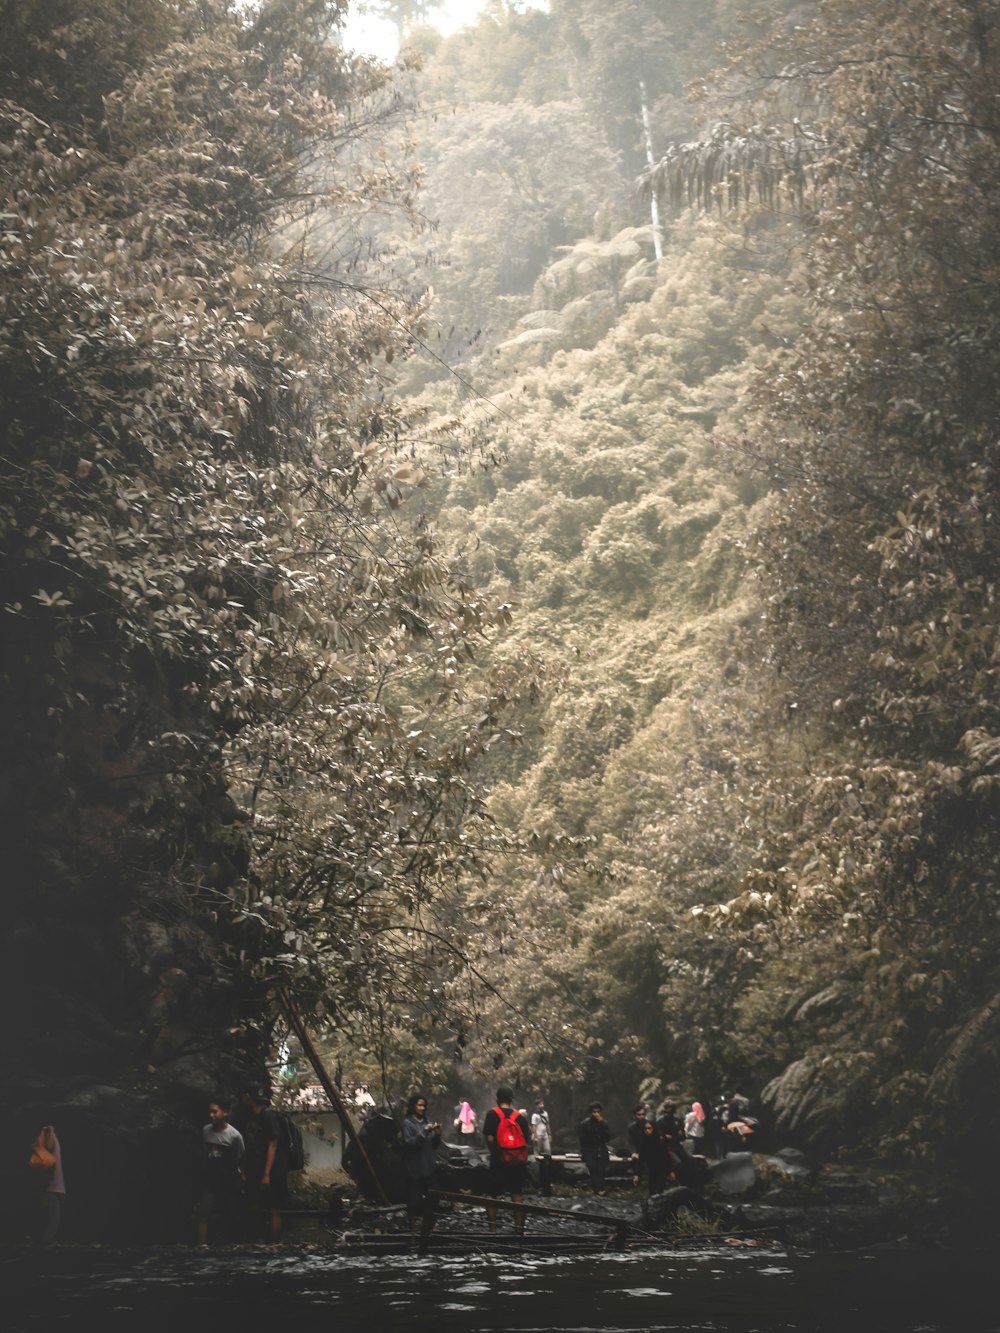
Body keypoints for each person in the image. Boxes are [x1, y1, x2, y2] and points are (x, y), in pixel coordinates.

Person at [240, 1088, 288, 1242]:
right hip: (257, 1168)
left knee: (273, 1207)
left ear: (249, 1096)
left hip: (272, 1170)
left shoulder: (268, 1117)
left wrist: (267, 1173)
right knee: (255, 1205)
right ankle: (258, 1240)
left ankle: (274, 1244)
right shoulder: (253, 1117)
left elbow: (273, 1144)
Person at [196, 1098, 245, 1246]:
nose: (211, 1115)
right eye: (210, 1112)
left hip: (228, 1180)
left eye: (214, 1111)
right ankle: (201, 1246)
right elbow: (204, 1153)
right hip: (210, 1179)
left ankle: (231, 1246)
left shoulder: (235, 1136)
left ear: (225, 1112)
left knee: (229, 1214)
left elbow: (241, 1158)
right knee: (203, 1213)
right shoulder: (206, 1131)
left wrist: (240, 1178)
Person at [483, 1085, 531, 1233]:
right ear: (511, 1100)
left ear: (497, 1099)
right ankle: (518, 1229)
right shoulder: (520, 1117)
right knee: (516, 1193)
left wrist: (496, 1153)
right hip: (517, 1161)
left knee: (492, 1194)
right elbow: (526, 1140)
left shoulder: (492, 1114)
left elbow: (489, 1138)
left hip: (498, 1160)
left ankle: (493, 1229)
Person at [401, 1094, 442, 1231]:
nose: (422, 1108)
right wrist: (424, 1132)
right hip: (415, 1169)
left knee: (433, 1200)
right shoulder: (408, 1123)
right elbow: (411, 1144)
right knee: (413, 1202)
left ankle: (430, 1228)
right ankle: (413, 1231)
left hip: (429, 1167)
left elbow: (434, 1146)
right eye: (419, 1105)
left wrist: (437, 1133)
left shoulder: (426, 1121)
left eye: (423, 1105)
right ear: (413, 1106)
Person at [29, 1125, 65, 1244]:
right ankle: (45, 1243)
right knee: (53, 1219)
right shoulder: (46, 1137)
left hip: (54, 1188)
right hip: (50, 1188)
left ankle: (44, 1243)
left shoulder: (48, 1138)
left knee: (53, 1218)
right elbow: (47, 1168)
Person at [576, 1101, 611, 1195]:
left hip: (601, 1150)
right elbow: (583, 1140)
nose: (596, 1114)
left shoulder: (604, 1123)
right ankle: (601, 1190)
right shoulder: (585, 1124)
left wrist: (601, 1125)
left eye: (598, 1112)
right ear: (591, 1112)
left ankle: (598, 1191)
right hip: (589, 1151)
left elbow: (607, 1137)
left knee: (601, 1171)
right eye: (594, 1112)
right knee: (593, 1169)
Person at [530, 1099, 553, 1197]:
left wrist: (550, 1134)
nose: (541, 1105)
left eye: (542, 1103)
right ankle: (537, 1170)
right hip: (538, 1135)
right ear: (537, 1105)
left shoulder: (546, 1113)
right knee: (537, 1153)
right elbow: (533, 1126)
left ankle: (547, 1168)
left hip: (545, 1135)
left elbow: (547, 1124)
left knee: (548, 1152)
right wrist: (534, 1135)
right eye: (540, 1104)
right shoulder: (534, 1115)